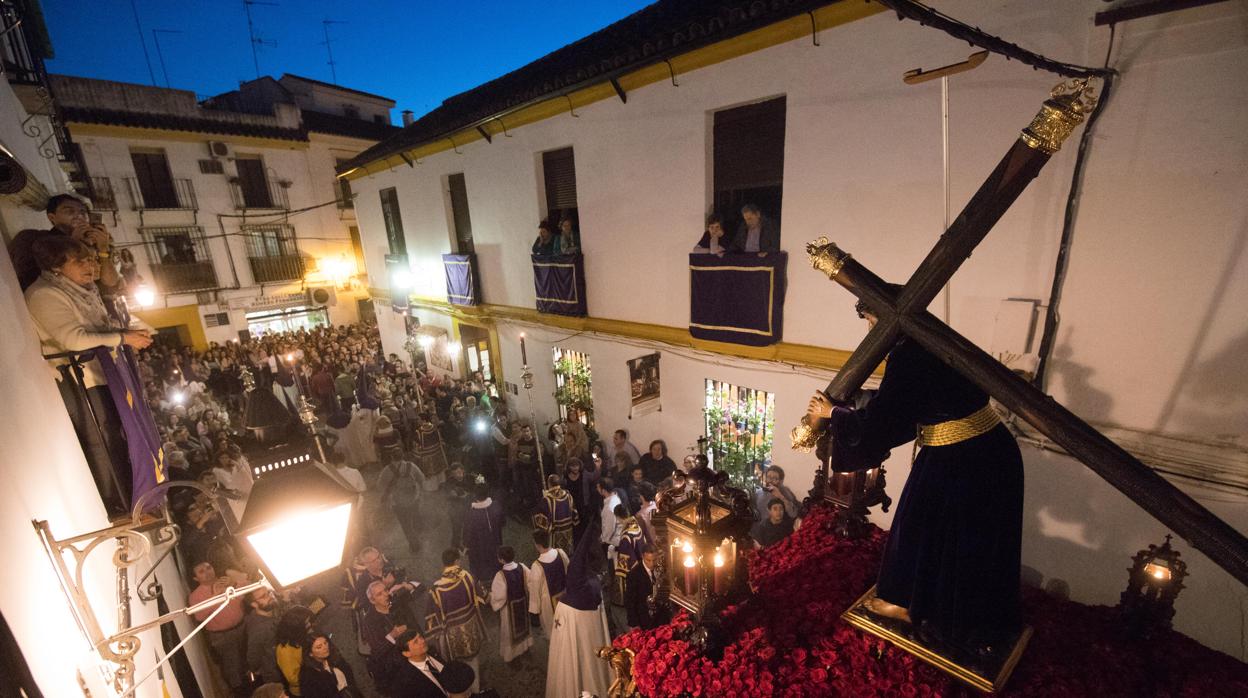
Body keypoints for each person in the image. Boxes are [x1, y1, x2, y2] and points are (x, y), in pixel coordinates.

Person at [805, 293, 1024, 655]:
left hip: (962, 460)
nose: (870, 331)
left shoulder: (907, 352)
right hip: (987, 449)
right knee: (968, 540)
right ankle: (947, 607)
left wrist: (835, 415)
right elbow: (916, 398)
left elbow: (886, 423)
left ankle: (915, 607)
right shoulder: (932, 339)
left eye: (871, 322)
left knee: (919, 529)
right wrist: (861, 402)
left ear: (889, 318)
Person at [24, 236, 153, 515]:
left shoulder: (83, 289)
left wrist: (122, 333)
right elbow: (73, 338)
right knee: (101, 437)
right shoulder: (45, 294)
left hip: (103, 373)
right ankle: (114, 500)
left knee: (116, 435)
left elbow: (98, 325)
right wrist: (122, 338)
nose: (89, 265)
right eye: (79, 260)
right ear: (55, 266)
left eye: (90, 259)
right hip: (82, 379)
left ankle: (131, 493)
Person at [545, 522, 612, 698]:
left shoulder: (566, 606)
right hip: (595, 646)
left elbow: (562, 646)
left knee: (571, 663)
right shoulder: (595, 588)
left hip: (571, 618)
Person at [9, 193, 122, 292]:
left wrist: (103, 250)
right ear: (52, 217)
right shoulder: (35, 239)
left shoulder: (92, 246)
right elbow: (33, 280)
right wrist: (72, 244)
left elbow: (110, 283)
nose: (79, 216)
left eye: (83, 212)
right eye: (69, 211)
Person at [425, 549, 486, 694]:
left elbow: (432, 617)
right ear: (457, 561)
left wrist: (436, 635)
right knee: (473, 660)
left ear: (444, 563)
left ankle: (462, 692)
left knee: (456, 665)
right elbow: (483, 595)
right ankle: (476, 689)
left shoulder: (436, 589)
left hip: (452, 635)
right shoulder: (468, 576)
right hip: (471, 627)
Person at [187, 561, 247, 694]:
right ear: (196, 578)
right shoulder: (195, 596)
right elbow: (199, 616)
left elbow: (243, 594)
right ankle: (239, 692)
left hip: (242, 626)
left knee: (246, 658)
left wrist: (234, 583)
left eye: (209, 568)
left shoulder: (225, 582)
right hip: (222, 636)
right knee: (232, 667)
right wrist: (215, 596)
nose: (207, 572)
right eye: (201, 571)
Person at [489, 546, 534, 663]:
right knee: (524, 628)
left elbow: (499, 596)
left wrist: (490, 597)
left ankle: (512, 656)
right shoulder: (523, 568)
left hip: (509, 610)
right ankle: (525, 648)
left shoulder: (500, 576)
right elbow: (531, 583)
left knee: (509, 632)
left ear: (501, 560)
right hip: (523, 605)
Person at [376, 458, 425, 553]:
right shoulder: (411, 466)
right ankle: (419, 531)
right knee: (415, 515)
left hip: (398, 503)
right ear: (402, 455)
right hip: (413, 498)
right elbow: (421, 478)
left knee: (406, 525)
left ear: (392, 457)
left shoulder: (387, 470)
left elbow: (379, 485)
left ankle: (415, 545)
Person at [526, 530, 570, 635]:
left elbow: (534, 590)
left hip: (548, 606)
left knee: (553, 634)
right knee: (567, 630)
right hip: (565, 597)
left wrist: (534, 611)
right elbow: (569, 571)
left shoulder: (537, 566)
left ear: (537, 545)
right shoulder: (561, 553)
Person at [388, 629, 449, 698]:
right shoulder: (406, 682)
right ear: (407, 653)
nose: (422, 641)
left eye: (420, 637)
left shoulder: (433, 652)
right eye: (416, 642)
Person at [463, 483, 504, 585]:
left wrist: (466, 545)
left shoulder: (471, 514)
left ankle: (482, 584)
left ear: (475, 495)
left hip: (478, 546)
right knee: (494, 561)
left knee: (480, 565)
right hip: (495, 541)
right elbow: (503, 522)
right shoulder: (496, 505)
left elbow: (468, 532)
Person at [624, 544, 670, 630]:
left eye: (654, 560)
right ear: (642, 557)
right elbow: (630, 601)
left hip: (660, 618)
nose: (652, 564)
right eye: (648, 560)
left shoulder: (660, 569)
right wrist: (634, 624)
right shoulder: (634, 575)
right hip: (644, 620)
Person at [298, 633, 358, 698]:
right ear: (310, 654)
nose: (325, 647)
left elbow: (350, 680)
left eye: (325, 643)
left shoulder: (336, 658)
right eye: (319, 647)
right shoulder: (308, 676)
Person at [274, 605, 316, 696]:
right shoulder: (285, 650)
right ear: (297, 627)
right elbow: (293, 678)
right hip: (304, 691)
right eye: (307, 623)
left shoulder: (300, 639)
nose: (311, 624)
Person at [245, 587, 284, 684]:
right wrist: (255, 669)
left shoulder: (270, 610)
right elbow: (253, 655)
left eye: (269, 592)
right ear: (254, 604)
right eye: (263, 596)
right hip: (275, 672)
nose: (270, 596)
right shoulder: (259, 628)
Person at [533, 473, 577, 554]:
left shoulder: (547, 500)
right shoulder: (568, 494)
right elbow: (574, 513)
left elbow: (541, 519)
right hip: (568, 531)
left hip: (556, 533)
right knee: (568, 553)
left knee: (557, 555)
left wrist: (543, 498)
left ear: (549, 484)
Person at [610, 504, 645, 607]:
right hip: (641, 561)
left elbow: (625, 562)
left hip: (633, 567)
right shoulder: (635, 525)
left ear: (619, 517)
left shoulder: (626, 536)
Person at [413, 413, 449, 490]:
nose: (417, 421)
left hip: (426, 456)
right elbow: (440, 441)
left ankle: (432, 488)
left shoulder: (419, 431)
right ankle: (441, 483)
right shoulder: (434, 427)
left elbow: (418, 446)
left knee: (431, 475)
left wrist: (417, 454)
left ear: (423, 420)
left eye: (418, 419)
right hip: (437, 453)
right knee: (439, 472)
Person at [444, 464, 471, 549]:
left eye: (460, 472)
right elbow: (449, 494)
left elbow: (475, 489)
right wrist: (459, 496)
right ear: (452, 474)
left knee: (467, 526)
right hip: (455, 510)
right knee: (456, 529)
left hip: (467, 508)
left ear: (463, 471)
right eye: (456, 473)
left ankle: (465, 543)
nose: (459, 475)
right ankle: (455, 546)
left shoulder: (469, 478)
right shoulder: (449, 482)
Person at [597, 478, 622, 558]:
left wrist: (603, 539)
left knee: (612, 565)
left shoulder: (609, 507)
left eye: (598, 487)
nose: (597, 489)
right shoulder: (616, 498)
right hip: (617, 538)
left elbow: (610, 527)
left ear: (603, 490)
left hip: (613, 542)